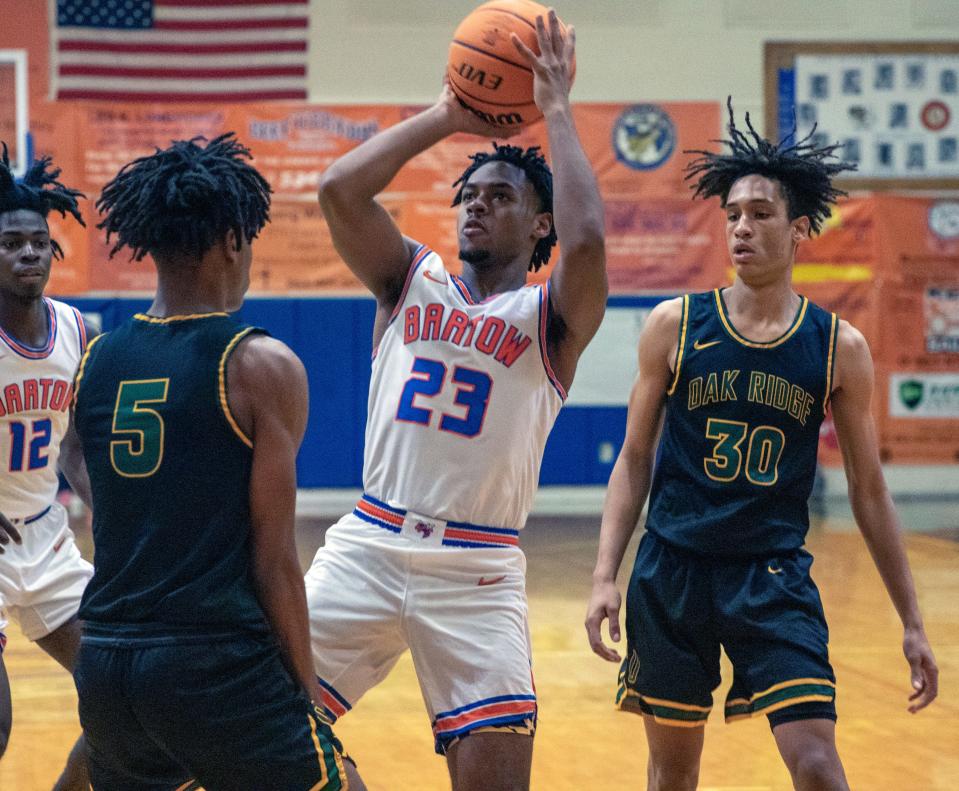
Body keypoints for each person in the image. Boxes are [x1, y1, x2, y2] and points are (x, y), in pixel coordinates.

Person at [585, 102, 939, 791]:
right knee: (671, 775)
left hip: (771, 576)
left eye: (759, 213)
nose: (741, 227)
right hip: (673, 570)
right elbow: (633, 459)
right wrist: (604, 573)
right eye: (732, 215)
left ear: (799, 228)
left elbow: (869, 491)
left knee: (815, 762)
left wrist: (911, 620)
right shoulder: (674, 325)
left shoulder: (839, 347)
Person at [307, 11, 605, 791]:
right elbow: (339, 188)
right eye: (467, 194)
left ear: (538, 221)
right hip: (367, 547)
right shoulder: (410, 278)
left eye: (498, 195)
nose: (474, 203)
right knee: (257, 727)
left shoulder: (550, 318)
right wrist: (446, 115)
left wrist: (556, 109)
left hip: (476, 571)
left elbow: (591, 244)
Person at [72, 134, 364, 791]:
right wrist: (306, 689)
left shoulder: (96, 358)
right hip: (213, 663)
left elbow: (78, 466)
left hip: (107, 664)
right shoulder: (258, 364)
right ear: (233, 239)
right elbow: (275, 559)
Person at [0, 142, 92, 790]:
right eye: (11, 242)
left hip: (46, 534)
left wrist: (108, 507)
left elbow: (78, 442)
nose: (29, 252)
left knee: (125, 690)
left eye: (38, 241)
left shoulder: (75, 329)